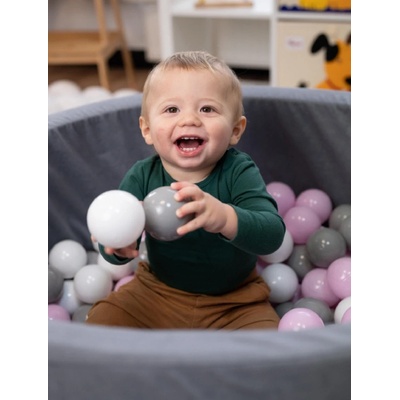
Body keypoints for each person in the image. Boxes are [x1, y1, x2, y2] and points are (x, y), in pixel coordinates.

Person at [86, 51, 286, 329]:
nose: (189, 119)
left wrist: (224, 217)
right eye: (172, 110)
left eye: (207, 109)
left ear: (235, 130)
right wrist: (117, 247)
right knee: (101, 321)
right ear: (147, 129)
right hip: (157, 293)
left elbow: (272, 236)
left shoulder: (239, 171)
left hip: (235, 301)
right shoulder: (142, 176)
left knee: (269, 342)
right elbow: (114, 245)